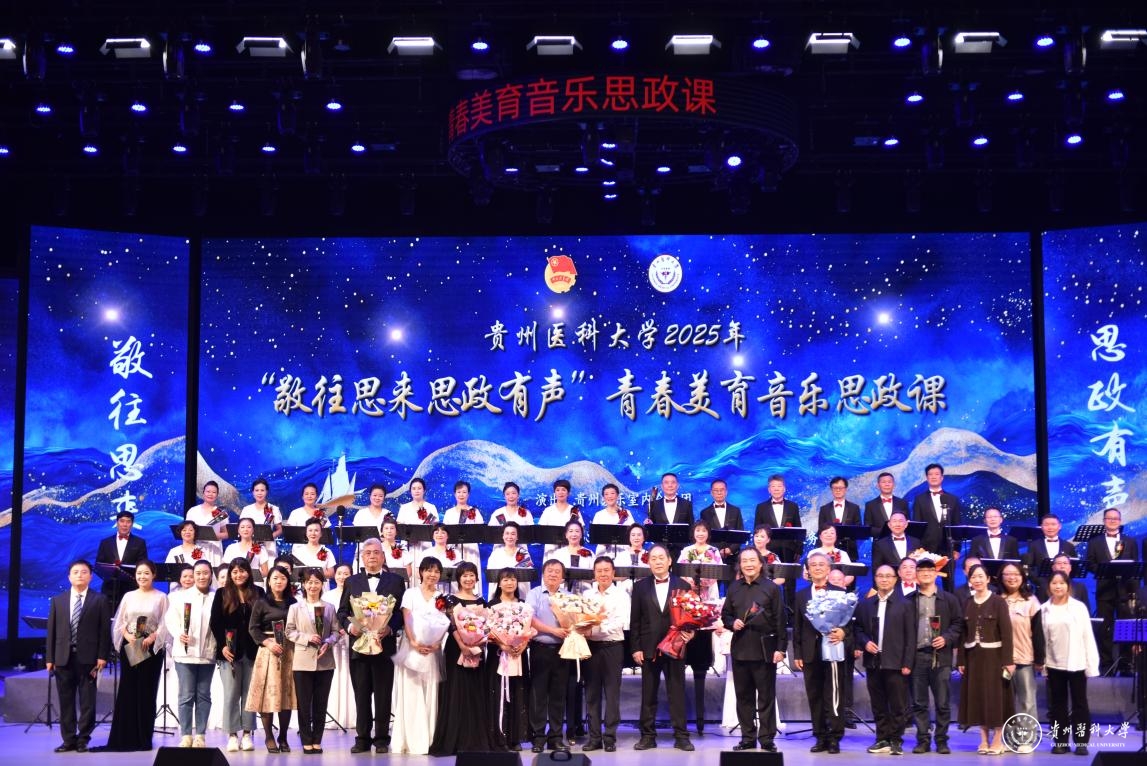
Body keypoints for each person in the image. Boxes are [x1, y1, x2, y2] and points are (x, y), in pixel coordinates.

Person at [336, 538, 405, 754]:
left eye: (376, 552)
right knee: (361, 694)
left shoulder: (396, 581)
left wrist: (390, 628)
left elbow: (400, 612)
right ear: (362, 557)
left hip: (384, 647)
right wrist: (350, 627)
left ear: (383, 556)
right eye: (368, 553)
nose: (372, 556)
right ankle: (362, 738)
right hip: (359, 647)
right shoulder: (352, 581)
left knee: (383, 695)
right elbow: (342, 612)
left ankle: (382, 739)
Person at [430, 561, 505, 754]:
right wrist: (463, 645)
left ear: (477, 578)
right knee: (456, 690)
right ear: (458, 578)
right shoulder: (450, 599)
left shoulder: (482, 601)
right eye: (464, 575)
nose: (468, 579)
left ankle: (475, 738)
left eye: (472, 575)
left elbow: (487, 627)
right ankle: (456, 739)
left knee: (475, 691)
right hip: (456, 650)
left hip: (477, 651)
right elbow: (451, 625)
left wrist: (479, 643)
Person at [630, 545, 695, 751]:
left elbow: (692, 616)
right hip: (649, 647)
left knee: (677, 693)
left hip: (675, 646)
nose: (657, 561)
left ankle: (681, 736)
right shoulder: (640, 587)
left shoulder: (683, 585)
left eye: (661, 558)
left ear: (669, 561)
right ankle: (647, 736)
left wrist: (691, 632)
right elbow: (635, 621)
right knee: (648, 694)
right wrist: (636, 648)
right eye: (653, 558)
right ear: (648, 563)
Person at [721, 547, 785, 752]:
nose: (748, 564)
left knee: (766, 697)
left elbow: (780, 620)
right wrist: (732, 623)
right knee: (743, 697)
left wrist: (781, 649)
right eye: (744, 561)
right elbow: (725, 614)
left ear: (760, 563)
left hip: (765, 650)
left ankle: (766, 739)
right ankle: (748, 738)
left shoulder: (771, 588)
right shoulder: (734, 587)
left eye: (752, 560)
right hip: (740, 649)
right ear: (740, 565)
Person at [45, 559, 111, 753]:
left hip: (89, 659)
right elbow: (51, 631)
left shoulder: (99, 600)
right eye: (75, 572)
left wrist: (102, 656)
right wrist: (49, 658)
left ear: (90, 576)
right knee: (65, 701)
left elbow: (104, 631)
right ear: (69, 577)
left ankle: (83, 739)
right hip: (62, 657)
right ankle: (68, 740)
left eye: (84, 572)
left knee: (87, 701)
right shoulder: (58, 600)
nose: (80, 575)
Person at [101, 560, 167, 751]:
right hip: (130, 645)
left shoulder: (161, 597)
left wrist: (152, 637)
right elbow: (120, 621)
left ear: (153, 575)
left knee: (146, 692)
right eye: (139, 573)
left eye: (146, 573)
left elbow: (165, 623)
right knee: (128, 690)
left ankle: (143, 738)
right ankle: (125, 737)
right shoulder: (128, 596)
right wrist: (128, 636)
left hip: (150, 648)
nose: (142, 576)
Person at [792, 552, 849, 754]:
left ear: (829, 568)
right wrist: (797, 653)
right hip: (809, 651)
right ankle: (820, 736)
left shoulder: (840, 592)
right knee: (814, 695)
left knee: (833, 695)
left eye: (821, 564)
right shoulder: (801, 595)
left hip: (832, 648)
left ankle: (834, 737)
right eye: (813, 565)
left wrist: (843, 632)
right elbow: (797, 626)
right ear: (808, 569)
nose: (817, 568)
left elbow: (850, 622)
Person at [906, 558, 963, 754]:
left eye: (930, 570)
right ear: (916, 575)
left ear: (936, 573)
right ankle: (923, 740)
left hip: (941, 656)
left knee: (942, 702)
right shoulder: (909, 600)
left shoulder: (949, 599)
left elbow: (958, 624)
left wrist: (946, 638)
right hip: (917, 656)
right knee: (919, 703)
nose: (926, 573)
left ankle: (941, 740)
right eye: (921, 570)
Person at [854, 564, 913, 756]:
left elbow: (911, 636)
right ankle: (882, 738)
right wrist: (865, 643)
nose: (884, 579)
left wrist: (907, 662)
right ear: (875, 579)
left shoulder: (905, 604)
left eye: (888, 576)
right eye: (880, 576)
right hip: (873, 661)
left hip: (896, 662)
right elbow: (858, 629)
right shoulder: (866, 604)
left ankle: (896, 739)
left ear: (896, 579)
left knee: (898, 704)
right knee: (878, 704)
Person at [392, 557, 448, 755]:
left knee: (431, 693)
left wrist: (436, 642)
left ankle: (429, 739)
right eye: (429, 570)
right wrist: (414, 642)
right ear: (421, 572)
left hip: (432, 650)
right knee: (411, 693)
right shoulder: (411, 593)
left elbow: (443, 621)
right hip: (411, 647)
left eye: (437, 571)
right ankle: (412, 741)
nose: (433, 574)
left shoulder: (441, 596)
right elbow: (407, 618)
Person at [957, 563, 1015, 755]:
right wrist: (961, 661)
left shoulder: (998, 602)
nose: (977, 580)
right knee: (978, 697)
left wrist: (1008, 661)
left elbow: (1006, 633)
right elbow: (963, 634)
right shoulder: (967, 602)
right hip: (973, 657)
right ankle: (983, 739)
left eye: (981, 576)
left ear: (988, 579)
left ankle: (998, 739)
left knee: (996, 698)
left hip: (995, 658)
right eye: (974, 577)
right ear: (969, 580)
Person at [1042, 572, 1101, 755]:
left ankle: (1081, 742)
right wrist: (1043, 665)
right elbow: (1043, 640)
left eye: (1061, 583)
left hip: (1077, 662)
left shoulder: (1078, 607)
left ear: (1068, 585)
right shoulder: (1044, 609)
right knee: (1057, 705)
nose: (1058, 586)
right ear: (1049, 586)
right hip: (1054, 663)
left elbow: (1087, 636)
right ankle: (1060, 741)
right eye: (1054, 583)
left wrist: (1091, 664)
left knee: (1079, 704)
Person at [677, 520, 725, 736]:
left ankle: (700, 720)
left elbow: (717, 574)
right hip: (688, 598)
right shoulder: (686, 550)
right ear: (693, 532)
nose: (700, 533)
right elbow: (680, 571)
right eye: (697, 530)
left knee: (701, 654)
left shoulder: (714, 551)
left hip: (708, 597)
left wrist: (702, 582)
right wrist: (692, 582)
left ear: (708, 533)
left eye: (704, 531)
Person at [209, 558, 259, 752]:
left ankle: (247, 733)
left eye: (242, 571)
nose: (239, 575)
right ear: (230, 574)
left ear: (249, 572)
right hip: (229, 652)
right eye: (235, 571)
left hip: (253, 652)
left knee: (249, 695)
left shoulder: (258, 592)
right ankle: (232, 734)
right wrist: (223, 646)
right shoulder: (222, 593)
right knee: (231, 694)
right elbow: (215, 622)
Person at [287, 567, 339, 754]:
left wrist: (328, 642)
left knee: (320, 704)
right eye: (309, 582)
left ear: (322, 584)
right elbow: (289, 631)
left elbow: (336, 631)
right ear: (303, 584)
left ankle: (317, 740)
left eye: (317, 582)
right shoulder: (295, 607)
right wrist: (307, 638)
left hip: (325, 662)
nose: (313, 586)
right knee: (304, 704)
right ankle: (306, 740)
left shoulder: (329, 607)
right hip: (302, 661)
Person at [166, 559, 217, 748]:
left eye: (205, 573)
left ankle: (200, 735)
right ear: (193, 575)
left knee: (203, 695)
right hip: (184, 653)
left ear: (210, 575)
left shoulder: (217, 597)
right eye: (198, 573)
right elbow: (171, 619)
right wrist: (179, 632)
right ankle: (186, 734)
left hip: (207, 652)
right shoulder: (180, 596)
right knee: (186, 695)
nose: (202, 576)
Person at [581, 556, 630, 753]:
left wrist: (596, 630)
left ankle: (610, 737)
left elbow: (620, 622)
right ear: (594, 573)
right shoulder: (587, 594)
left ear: (613, 573)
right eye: (599, 571)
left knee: (612, 694)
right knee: (591, 694)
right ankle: (594, 738)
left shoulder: (621, 595)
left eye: (606, 570)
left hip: (613, 647)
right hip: (591, 648)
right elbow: (581, 618)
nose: (603, 574)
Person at [247, 565, 296, 752]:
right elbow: (253, 628)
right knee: (266, 695)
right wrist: (267, 643)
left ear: (287, 581)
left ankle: (283, 736)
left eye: (283, 578)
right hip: (268, 650)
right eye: (275, 578)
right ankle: (269, 736)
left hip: (288, 651)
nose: (279, 581)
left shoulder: (293, 602)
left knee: (286, 695)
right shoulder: (261, 602)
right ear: (269, 581)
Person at [527, 559, 573, 752]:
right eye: (550, 571)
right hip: (540, 649)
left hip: (563, 651)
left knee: (558, 696)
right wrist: (553, 631)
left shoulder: (569, 597)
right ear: (543, 574)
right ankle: (538, 737)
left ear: (562, 577)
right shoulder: (534, 594)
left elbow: (575, 620)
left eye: (557, 571)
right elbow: (530, 619)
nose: (553, 574)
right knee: (538, 695)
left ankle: (555, 737)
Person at [1086, 507, 1139, 673]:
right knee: (1105, 629)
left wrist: (1134, 592)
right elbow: (1090, 564)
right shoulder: (1094, 542)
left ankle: (1125, 664)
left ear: (1120, 521)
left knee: (1126, 627)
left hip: (1125, 591)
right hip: (1104, 591)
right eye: (1109, 518)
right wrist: (1104, 571)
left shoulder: (1130, 541)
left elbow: (1134, 566)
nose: (1112, 521)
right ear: (1104, 521)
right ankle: (1106, 664)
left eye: (1115, 518)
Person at [997, 562, 1044, 743]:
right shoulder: (996, 600)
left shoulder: (1031, 601)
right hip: (1000, 659)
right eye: (1007, 574)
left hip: (1024, 658)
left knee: (1027, 700)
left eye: (1016, 574)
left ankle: (1026, 739)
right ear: (1001, 578)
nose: (1012, 577)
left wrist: (1039, 659)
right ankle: (1006, 739)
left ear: (1022, 577)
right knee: (1003, 701)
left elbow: (1038, 633)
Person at [487, 567, 532, 751]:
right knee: (498, 693)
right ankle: (499, 737)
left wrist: (523, 644)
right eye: (505, 579)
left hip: (518, 656)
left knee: (517, 693)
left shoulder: (524, 605)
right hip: (498, 657)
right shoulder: (491, 605)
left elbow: (528, 630)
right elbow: (487, 632)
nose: (510, 582)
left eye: (513, 579)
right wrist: (502, 644)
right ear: (499, 583)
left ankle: (515, 738)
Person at [910, 463, 961, 590]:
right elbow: (917, 526)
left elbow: (957, 524)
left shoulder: (952, 499)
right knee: (924, 582)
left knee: (949, 584)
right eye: (930, 474)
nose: (933, 477)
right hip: (926, 548)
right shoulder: (919, 499)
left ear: (942, 477)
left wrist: (957, 548)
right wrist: (918, 549)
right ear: (926, 478)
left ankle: (949, 602)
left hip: (948, 548)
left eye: (937, 474)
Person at [322, 563, 356, 731]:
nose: (342, 577)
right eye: (339, 573)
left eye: (346, 573)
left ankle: (352, 716)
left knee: (350, 675)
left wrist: (347, 628)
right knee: (335, 676)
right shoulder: (327, 596)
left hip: (351, 639)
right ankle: (333, 714)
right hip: (333, 641)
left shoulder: (356, 594)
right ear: (334, 576)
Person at [95, 509, 150, 613]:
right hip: (109, 589)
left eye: (128, 521)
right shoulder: (105, 542)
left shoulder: (140, 543)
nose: (125, 524)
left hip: (131, 588)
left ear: (132, 524)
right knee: (107, 618)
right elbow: (98, 565)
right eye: (122, 521)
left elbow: (143, 565)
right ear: (117, 523)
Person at [752, 475, 802, 564]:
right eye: (773, 486)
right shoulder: (761, 507)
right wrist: (757, 550)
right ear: (769, 490)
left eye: (779, 486)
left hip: (789, 550)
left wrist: (799, 551)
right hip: (768, 550)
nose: (776, 489)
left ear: (784, 489)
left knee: (788, 573)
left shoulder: (793, 506)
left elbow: (798, 529)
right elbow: (757, 530)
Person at [1024, 514, 1077, 596]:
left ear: (1059, 526)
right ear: (1041, 527)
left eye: (1053, 524)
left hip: (1065, 588)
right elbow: (1029, 567)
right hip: (1042, 589)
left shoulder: (1069, 546)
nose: (1050, 527)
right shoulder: (1034, 545)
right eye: (1046, 525)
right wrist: (1040, 582)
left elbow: (1074, 567)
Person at [699, 479, 745, 562]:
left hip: (733, 557)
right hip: (712, 557)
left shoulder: (735, 511)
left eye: (722, 490)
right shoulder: (704, 513)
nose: (719, 493)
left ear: (726, 492)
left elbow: (740, 533)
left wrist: (731, 549)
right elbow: (704, 535)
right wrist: (715, 550)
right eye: (716, 490)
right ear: (711, 493)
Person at [441, 480, 485, 565]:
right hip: (454, 549)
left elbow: (481, 531)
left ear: (468, 494)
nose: (461, 495)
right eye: (459, 492)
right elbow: (445, 532)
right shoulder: (449, 513)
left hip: (471, 549)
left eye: (464, 492)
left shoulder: (475, 511)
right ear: (455, 494)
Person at [238, 477, 284, 559]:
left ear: (267, 492)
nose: (259, 493)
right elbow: (240, 528)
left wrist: (268, 537)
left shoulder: (273, 509)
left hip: (269, 548)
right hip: (250, 547)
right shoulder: (246, 510)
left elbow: (280, 530)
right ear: (253, 492)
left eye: (262, 490)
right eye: (257, 490)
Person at [817, 476, 861, 561]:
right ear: (831, 490)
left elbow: (858, 528)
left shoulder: (854, 508)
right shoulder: (824, 509)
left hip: (849, 549)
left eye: (840, 488)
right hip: (828, 549)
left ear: (845, 489)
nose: (838, 490)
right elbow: (821, 529)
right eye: (835, 488)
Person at [487, 520, 534, 599]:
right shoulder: (495, 554)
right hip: (500, 595)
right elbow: (491, 577)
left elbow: (527, 576)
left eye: (513, 534)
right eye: (507, 533)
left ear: (517, 537)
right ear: (503, 536)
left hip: (519, 595)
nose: (510, 537)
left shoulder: (523, 553)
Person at [185, 480, 230, 560]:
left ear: (217, 495)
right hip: (196, 548)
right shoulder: (193, 511)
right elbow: (186, 530)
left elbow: (226, 533)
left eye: (214, 492)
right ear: (203, 493)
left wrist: (213, 535)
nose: (210, 494)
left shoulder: (220, 512)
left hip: (214, 550)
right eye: (208, 491)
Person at [396, 477, 438, 560]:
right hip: (408, 546)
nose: (416, 491)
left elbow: (436, 527)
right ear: (410, 491)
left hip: (425, 546)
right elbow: (399, 527)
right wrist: (410, 537)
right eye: (414, 488)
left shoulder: (431, 507)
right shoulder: (404, 508)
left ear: (424, 490)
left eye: (419, 488)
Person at [539, 479, 582, 559]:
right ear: (554, 493)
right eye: (558, 490)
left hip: (570, 549)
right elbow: (541, 531)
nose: (560, 492)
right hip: (551, 550)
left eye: (563, 490)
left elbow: (580, 529)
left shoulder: (574, 510)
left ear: (568, 493)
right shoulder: (548, 510)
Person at [550, 519, 595, 594]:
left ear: (581, 535)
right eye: (571, 531)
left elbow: (596, 576)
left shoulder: (589, 553)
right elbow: (552, 575)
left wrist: (582, 577)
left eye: (577, 531)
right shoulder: (558, 554)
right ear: (566, 535)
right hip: (563, 594)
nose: (574, 534)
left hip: (585, 593)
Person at [591, 483, 633, 560]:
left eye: (612, 493)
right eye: (606, 494)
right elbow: (595, 535)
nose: (609, 496)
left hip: (623, 552)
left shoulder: (626, 513)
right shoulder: (599, 515)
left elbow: (632, 532)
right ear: (603, 497)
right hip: (604, 552)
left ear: (618, 496)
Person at [864, 472, 909, 540]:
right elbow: (868, 527)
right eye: (883, 482)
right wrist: (885, 532)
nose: (887, 484)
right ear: (878, 485)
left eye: (889, 482)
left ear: (894, 485)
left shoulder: (902, 503)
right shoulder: (870, 505)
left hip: (900, 540)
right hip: (879, 542)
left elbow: (908, 523)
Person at [417, 522, 461, 588]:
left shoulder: (456, 553)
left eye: (443, 533)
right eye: (436, 533)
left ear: (447, 536)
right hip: (431, 589)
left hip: (451, 589)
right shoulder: (426, 553)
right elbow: (418, 573)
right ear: (433, 536)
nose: (439, 535)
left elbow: (461, 572)